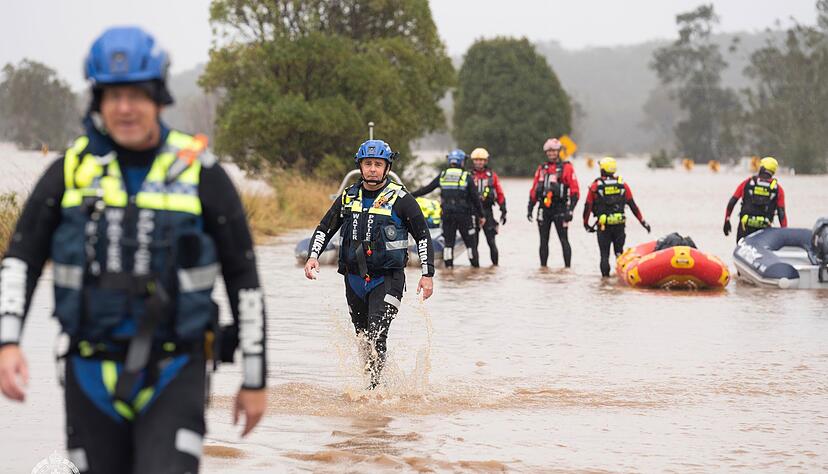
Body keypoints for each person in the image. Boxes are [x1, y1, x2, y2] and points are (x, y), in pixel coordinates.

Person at [0, 27, 267, 473]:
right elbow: (20, 261)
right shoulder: (68, 171)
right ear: (98, 100)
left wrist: (255, 378)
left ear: (159, 96)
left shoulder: (201, 173)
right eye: (112, 95)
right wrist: (8, 342)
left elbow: (244, 278)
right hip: (88, 373)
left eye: (137, 94)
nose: (124, 108)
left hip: (175, 370)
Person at [303, 139, 435, 389]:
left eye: (378, 164)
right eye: (368, 164)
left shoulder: (401, 198)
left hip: (387, 280)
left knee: (376, 334)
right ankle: (376, 384)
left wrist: (427, 274)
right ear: (360, 166)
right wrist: (313, 256)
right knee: (362, 338)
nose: (372, 169)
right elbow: (324, 228)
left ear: (387, 167)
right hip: (353, 280)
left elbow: (423, 236)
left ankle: (374, 392)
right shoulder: (347, 197)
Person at [411, 149, 485, 268]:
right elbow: (475, 198)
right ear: (461, 162)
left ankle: (448, 270)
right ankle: (475, 269)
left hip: (447, 215)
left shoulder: (443, 175)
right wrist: (481, 215)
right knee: (470, 243)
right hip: (464, 215)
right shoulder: (466, 176)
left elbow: (426, 189)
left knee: (448, 243)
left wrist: (410, 195)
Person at [582, 157, 651, 277]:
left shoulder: (595, 186)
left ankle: (605, 282)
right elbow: (633, 206)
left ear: (602, 169)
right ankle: (620, 280)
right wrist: (643, 222)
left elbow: (588, 206)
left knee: (604, 255)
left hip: (603, 226)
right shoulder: (622, 185)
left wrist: (586, 223)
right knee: (619, 253)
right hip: (619, 225)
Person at [527, 138, 580, 267]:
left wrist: (570, 210)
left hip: (560, 208)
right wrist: (530, 207)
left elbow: (575, 191)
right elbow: (534, 189)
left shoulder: (567, 168)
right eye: (549, 152)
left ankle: (567, 268)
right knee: (543, 241)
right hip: (544, 209)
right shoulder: (542, 169)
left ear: (559, 152)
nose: (551, 154)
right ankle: (543, 268)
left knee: (564, 239)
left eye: (554, 151)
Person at [723, 156, 787, 242]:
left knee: (743, 249)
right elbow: (781, 213)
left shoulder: (747, 183)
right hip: (764, 231)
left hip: (745, 228)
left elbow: (732, 202)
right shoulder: (778, 189)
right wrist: (785, 233)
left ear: (762, 168)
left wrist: (727, 220)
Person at [469, 148, 507, 266]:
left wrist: (503, 209)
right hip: (472, 212)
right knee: (473, 243)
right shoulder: (468, 176)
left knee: (491, 241)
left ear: (486, 161)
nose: (479, 162)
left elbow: (499, 193)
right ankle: (475, 270)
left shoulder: (492, 176)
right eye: (477, 160)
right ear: (473, 161)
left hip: (487, 212)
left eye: (482, 160)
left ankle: (495, 267)